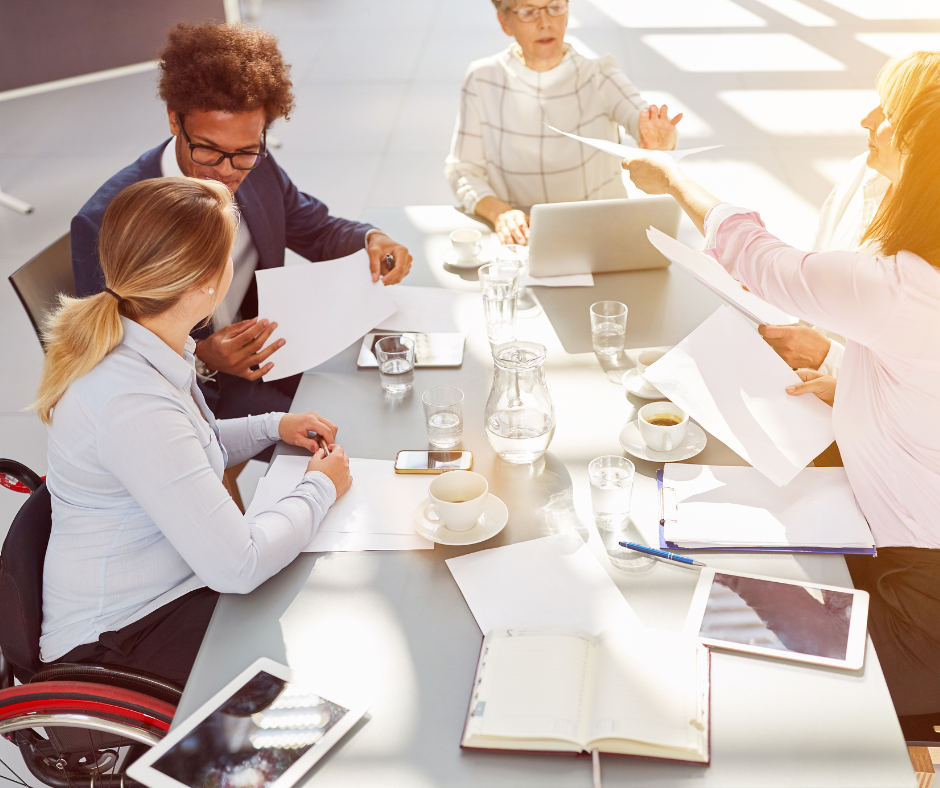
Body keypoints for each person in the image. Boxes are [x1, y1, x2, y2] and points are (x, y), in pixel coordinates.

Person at [621, 68, 940, 737]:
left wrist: (668, 172)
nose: (867, 126)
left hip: (920, 613)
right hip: (901, 555)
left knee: (718, 623)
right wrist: (837, 363)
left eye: (886, 116)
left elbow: (755, 255)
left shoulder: (896, 285)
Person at [36, 177, 352, 686]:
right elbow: (239, 566)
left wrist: (275, 426)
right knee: (319, 644)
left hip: (166, 588)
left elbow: (189, 447)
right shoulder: (130, 401)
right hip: (118, 640)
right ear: (209, 281)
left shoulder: (148, 342)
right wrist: (321, 487)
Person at [72, 21, 413, 430]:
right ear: (173, 120)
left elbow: (316, 228)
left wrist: (371, 238)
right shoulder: (108, 222)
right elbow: (105, 356)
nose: (226, 173)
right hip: (191, 394)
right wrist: (200, 355)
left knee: (386, 390)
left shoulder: (259, 167)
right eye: (208, 151)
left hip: (268, 350)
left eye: (245, 152)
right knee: (346, 430)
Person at [757, 51, 940, 378]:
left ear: (925, 138)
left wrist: (825, 358)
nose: (867, 120)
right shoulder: (864, 171)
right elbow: (819, 260)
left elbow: (919, 388)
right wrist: (779, 287)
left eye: (889, 112)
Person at [445, 0, 682, 245]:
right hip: (523, 240)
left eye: (555, 8)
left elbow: (640, 116)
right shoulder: (482, 80)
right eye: (528, 12)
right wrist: (500, 213)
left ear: (567, 13)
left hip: (602, 238)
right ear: (504, 21)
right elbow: (463, 170)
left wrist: (662, 141)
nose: (545, 23)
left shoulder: (599, 74)